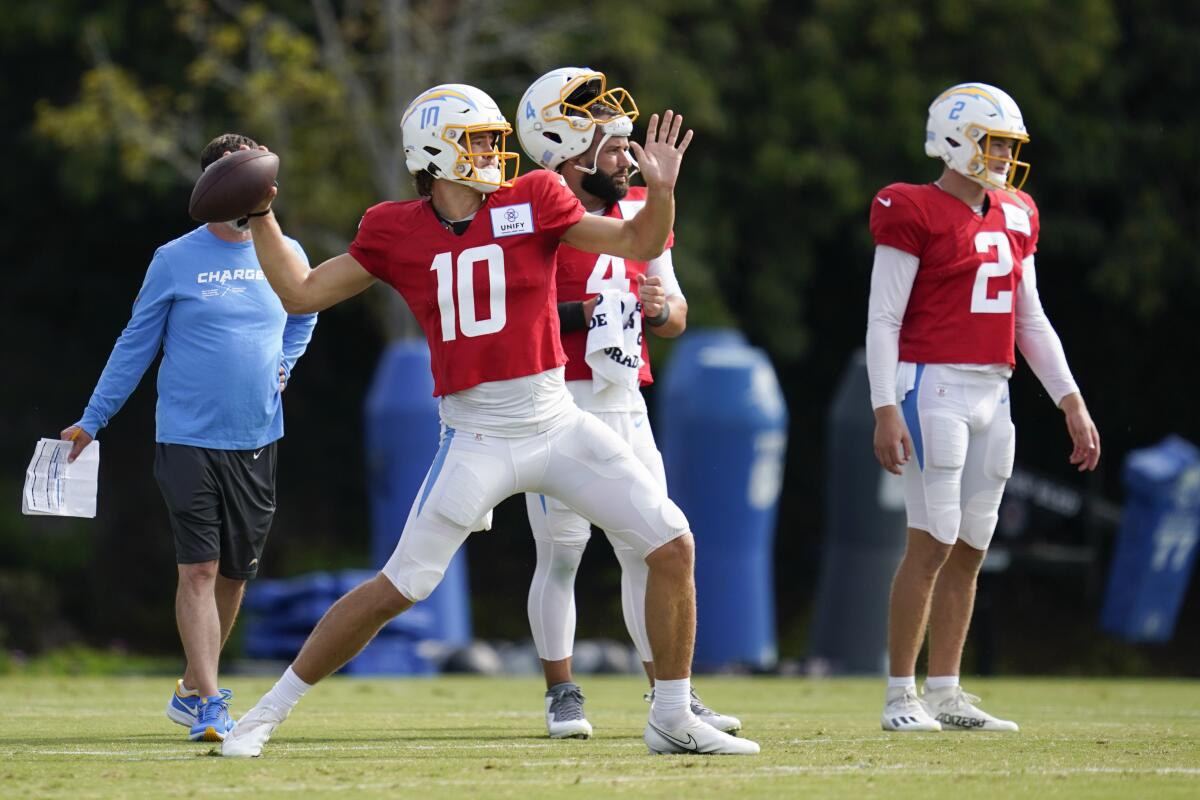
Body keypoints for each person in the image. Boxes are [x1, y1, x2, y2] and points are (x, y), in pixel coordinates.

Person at [220, 83, 760, 757]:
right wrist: (262, 215)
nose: (494, 153)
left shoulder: (533, 197)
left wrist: (665, 189)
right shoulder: (394, 227)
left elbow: (635, 237)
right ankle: (265, 715)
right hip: (476, 434)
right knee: (402, 585)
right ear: (434, 151)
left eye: (495, 140)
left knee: (671, 541)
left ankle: (673, 717)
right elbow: (300, 291)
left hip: (558, 417)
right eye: (479, 140)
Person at [60, 132, 317, 742]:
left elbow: (305, 310)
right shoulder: (174, 259)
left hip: (256, 436)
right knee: (198, 570)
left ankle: (190, 687)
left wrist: (287, 360)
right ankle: (209, 701)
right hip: (186, 437)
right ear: (213, 189)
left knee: (234, 574)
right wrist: (93, 419)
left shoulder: (286, 250)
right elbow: (135, 343)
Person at [866, 83, 1101, 732]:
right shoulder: (910, 207)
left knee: (972, 543)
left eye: (1007, 146)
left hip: (993, 392)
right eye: (992, 143)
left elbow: (1031, 318)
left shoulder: (1017, 212)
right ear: (952, 139)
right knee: (931, 540)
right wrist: (884, 406)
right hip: (932, 385)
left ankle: (945, 689)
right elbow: (883, 319)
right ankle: (899, 695)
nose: (1001, 157)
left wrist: (1070, 401)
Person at [515, 67, 740, 739]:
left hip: (627, 399)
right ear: (568, 146)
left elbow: (676, 315)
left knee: (650, 547)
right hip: (559, 397)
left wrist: (661, 304)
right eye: (613, 146)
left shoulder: (644, 207)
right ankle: (561, 691)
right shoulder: (533, 213)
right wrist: (582, 315)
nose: (627, 157)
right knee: (561, 550)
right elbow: (512, 316)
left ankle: (667, 693)